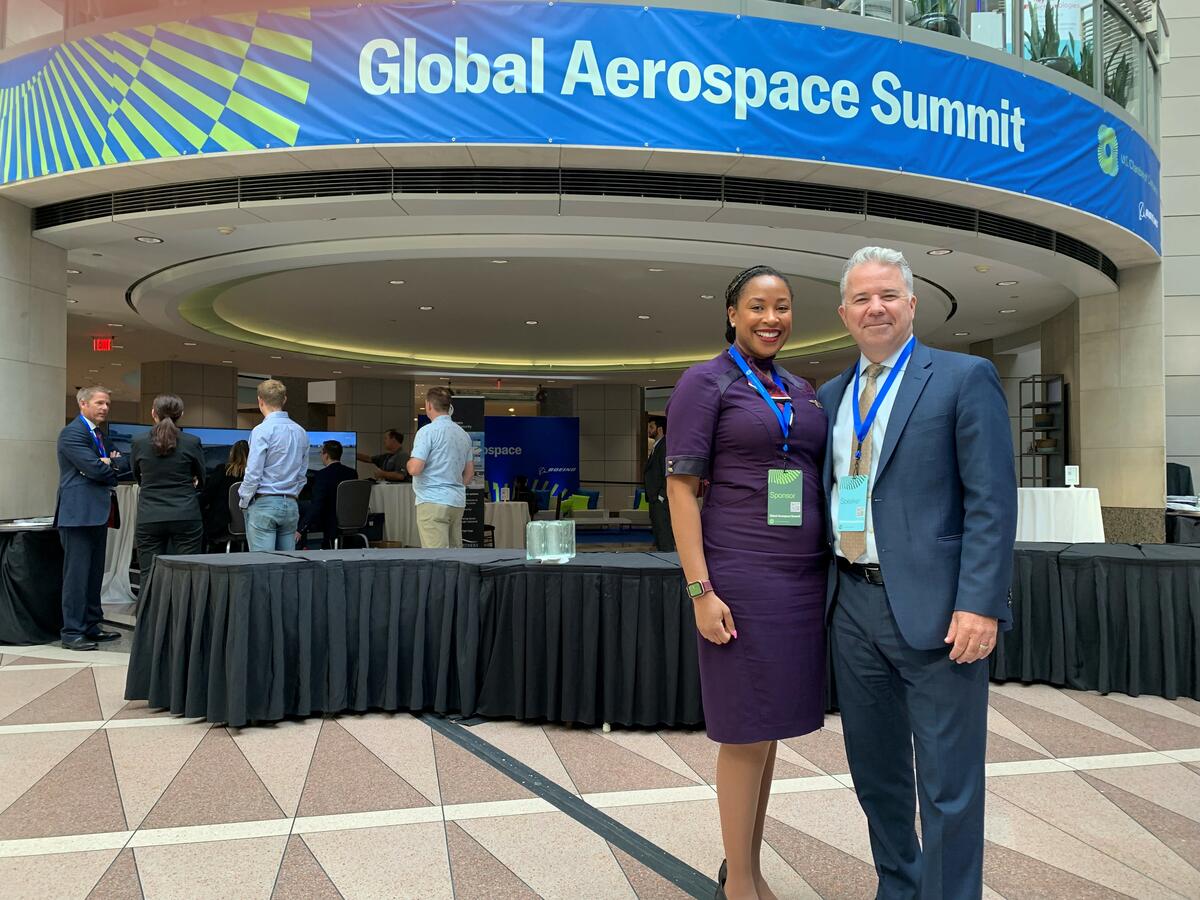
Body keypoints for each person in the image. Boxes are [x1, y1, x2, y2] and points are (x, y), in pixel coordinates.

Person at [816, 246, 1017, 900]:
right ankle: (897, 889)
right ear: (844, 313)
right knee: (876, 777)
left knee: (948, 784)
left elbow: (992, 500)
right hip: (851, 606)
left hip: (939, 613)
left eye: (889, 295)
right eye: (863, 298)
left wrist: (980, 603)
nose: (876, 307)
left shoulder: (963, 378)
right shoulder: (830, 396)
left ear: (912, 304)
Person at [665, 266, 828, 900]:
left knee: (770, 727)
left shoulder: (798, 386)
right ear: (732, 313)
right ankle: (741, 888)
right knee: (743, 728)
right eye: (757, 306)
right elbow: (680, 491)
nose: (771, 318)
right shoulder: (705, 382)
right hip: (739, 573)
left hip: (800, 578)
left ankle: (749, 869)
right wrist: (700, 592)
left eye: (783, 307)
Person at [55, 386, 123, 651]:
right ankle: (72, 632)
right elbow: (94, 469)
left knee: (94, 574)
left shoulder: (100, 435)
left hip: (98, 513)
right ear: (83, 404)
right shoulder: (72, 434)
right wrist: (104, 463)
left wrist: (109, 462)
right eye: (99, 403)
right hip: (77, 515)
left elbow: (122, 463)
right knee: (77, 576)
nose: (105, 408)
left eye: (107, 403)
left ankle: (92, 625)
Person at [131, 395, 206, 584]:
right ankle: (185, 614)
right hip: (185, 513)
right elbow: (202, 478)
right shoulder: (191, 441)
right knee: (188, 574)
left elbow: (137, 476)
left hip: (150, 514)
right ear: (181, 414)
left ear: (153, 413)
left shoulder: (139, 442)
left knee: (149, 575)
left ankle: (149, 614)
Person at [238, 379, 309, 551]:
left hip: (264, 503)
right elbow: (301, 474)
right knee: (288, 566)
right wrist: (292, 494)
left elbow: (253, 473)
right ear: (284, 400)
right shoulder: (300, 431)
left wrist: (244, 500)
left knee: (263, 567)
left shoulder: (261, 431)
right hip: (291, 504)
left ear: (260, 401)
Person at [406, 387, 474, 548]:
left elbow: (415, 469)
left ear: (428, 405)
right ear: (449, 407)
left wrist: (409, 463)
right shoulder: (463, 434)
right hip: (456, 501)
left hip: (432, 500)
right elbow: (469, 474)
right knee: (455, 555)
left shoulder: (427, 432)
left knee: (436, 558)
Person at [297, 439, 358, 548]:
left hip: (330, 520)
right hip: (349, 518)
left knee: (300, 507)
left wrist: (301, 529)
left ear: (326, 455)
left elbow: (317, 505)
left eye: (321, 452)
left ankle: (301, 544)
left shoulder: (322, 475)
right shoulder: (352, 473)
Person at [200, 440, 248, 549]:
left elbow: (207, 496)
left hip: (223, 525)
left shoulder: (222, 470)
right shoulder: (253, 476)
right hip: (250, 525)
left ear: (232, 454)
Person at [644, 415, 675, 551]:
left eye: (651, 427)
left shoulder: (664, 447)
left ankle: (668, 563)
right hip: (654, 498)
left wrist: (661, 495)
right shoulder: (657, 447)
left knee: (664, 532)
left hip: (660, 499)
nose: (649, 430)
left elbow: (668, 473)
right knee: (658, 532)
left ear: (660, 429)